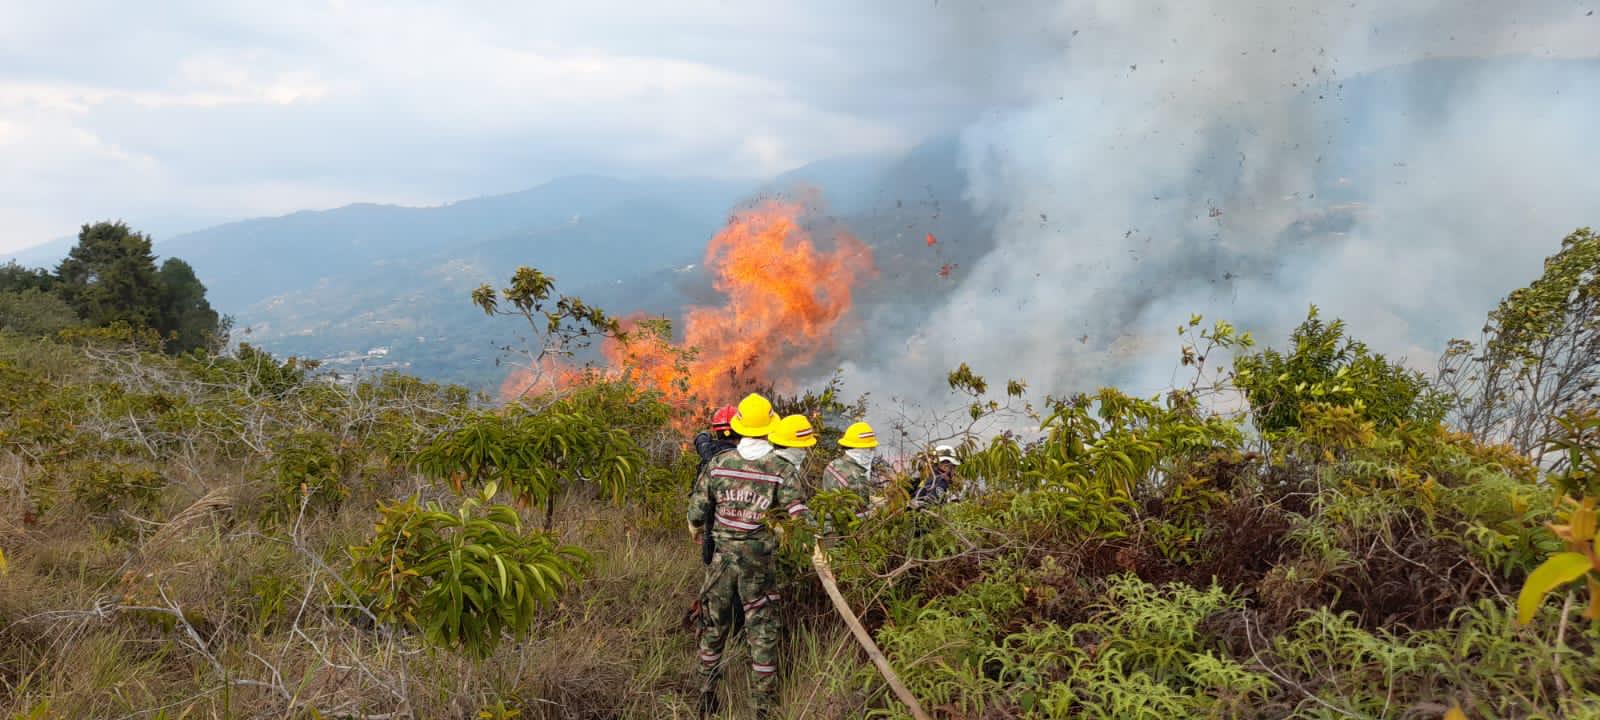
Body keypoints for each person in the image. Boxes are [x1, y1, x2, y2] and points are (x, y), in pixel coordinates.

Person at [688, 394, 811, 719]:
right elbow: (798, 515)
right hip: (759, 566)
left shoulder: (718, 464)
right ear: (769, 428)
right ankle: (762, 708)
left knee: (713, 627)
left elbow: (698, 510)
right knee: (762, 632)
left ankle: (706, 696)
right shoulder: (781, 468)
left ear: (740, 428)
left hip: (721, 564)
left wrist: (696, 528)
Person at [823, 422, 887, 518]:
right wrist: (880, 509)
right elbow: (859, 514)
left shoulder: (833, 464)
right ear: (860, 450)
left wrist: (871, 499)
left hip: (828, 517)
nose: (872, 451)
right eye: (869, 448)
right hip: (846, 525)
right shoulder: (858, 477)